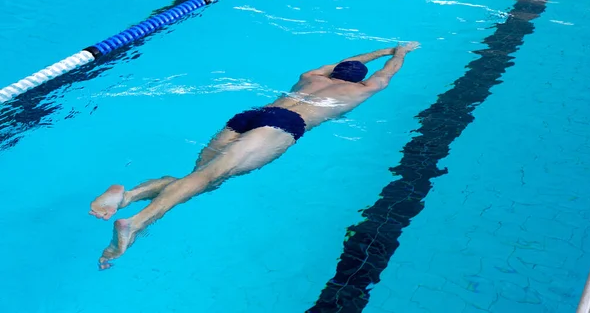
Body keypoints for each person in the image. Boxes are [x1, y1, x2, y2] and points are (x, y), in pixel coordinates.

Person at [89, 41, 419, 269]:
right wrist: (399, 53)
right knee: (208, 178)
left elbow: (348, 61)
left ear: (335, 70)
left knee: (199, 178)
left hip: (252, 114)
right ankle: (135, 222)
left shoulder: (311, 77)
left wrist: (382, 48)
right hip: (285, 124)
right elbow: (387, 72)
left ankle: (128, 196)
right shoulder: (363, 88)